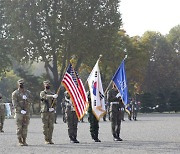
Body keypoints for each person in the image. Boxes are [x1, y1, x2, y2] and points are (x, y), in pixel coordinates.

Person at [12, 79, 32, 146]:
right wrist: (20, 110)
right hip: (19, 113)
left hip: (26, 112)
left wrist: (26, 98)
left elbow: (31, 101)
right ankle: (20, 141)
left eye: (22, 83)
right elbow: (15, 103)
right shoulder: (15, 93)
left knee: (25, 126)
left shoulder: (28, 92)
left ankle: (24, 140)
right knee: (19, 127)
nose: (21, 85)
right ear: (18, 84)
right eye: (20, 83)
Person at [40, 80, 58, 144]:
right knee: (45, 126)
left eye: (48, 84)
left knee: (51, 126)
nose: (47, 85)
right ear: (44, 85)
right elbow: (44, 97)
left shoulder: (53, 93)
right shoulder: (42, 92)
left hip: (51, 112)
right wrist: (52, 96)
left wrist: (53, 108)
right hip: (45, 112)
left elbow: (55, 103)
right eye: (46, 84)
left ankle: (50, 139)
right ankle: (46, 139)